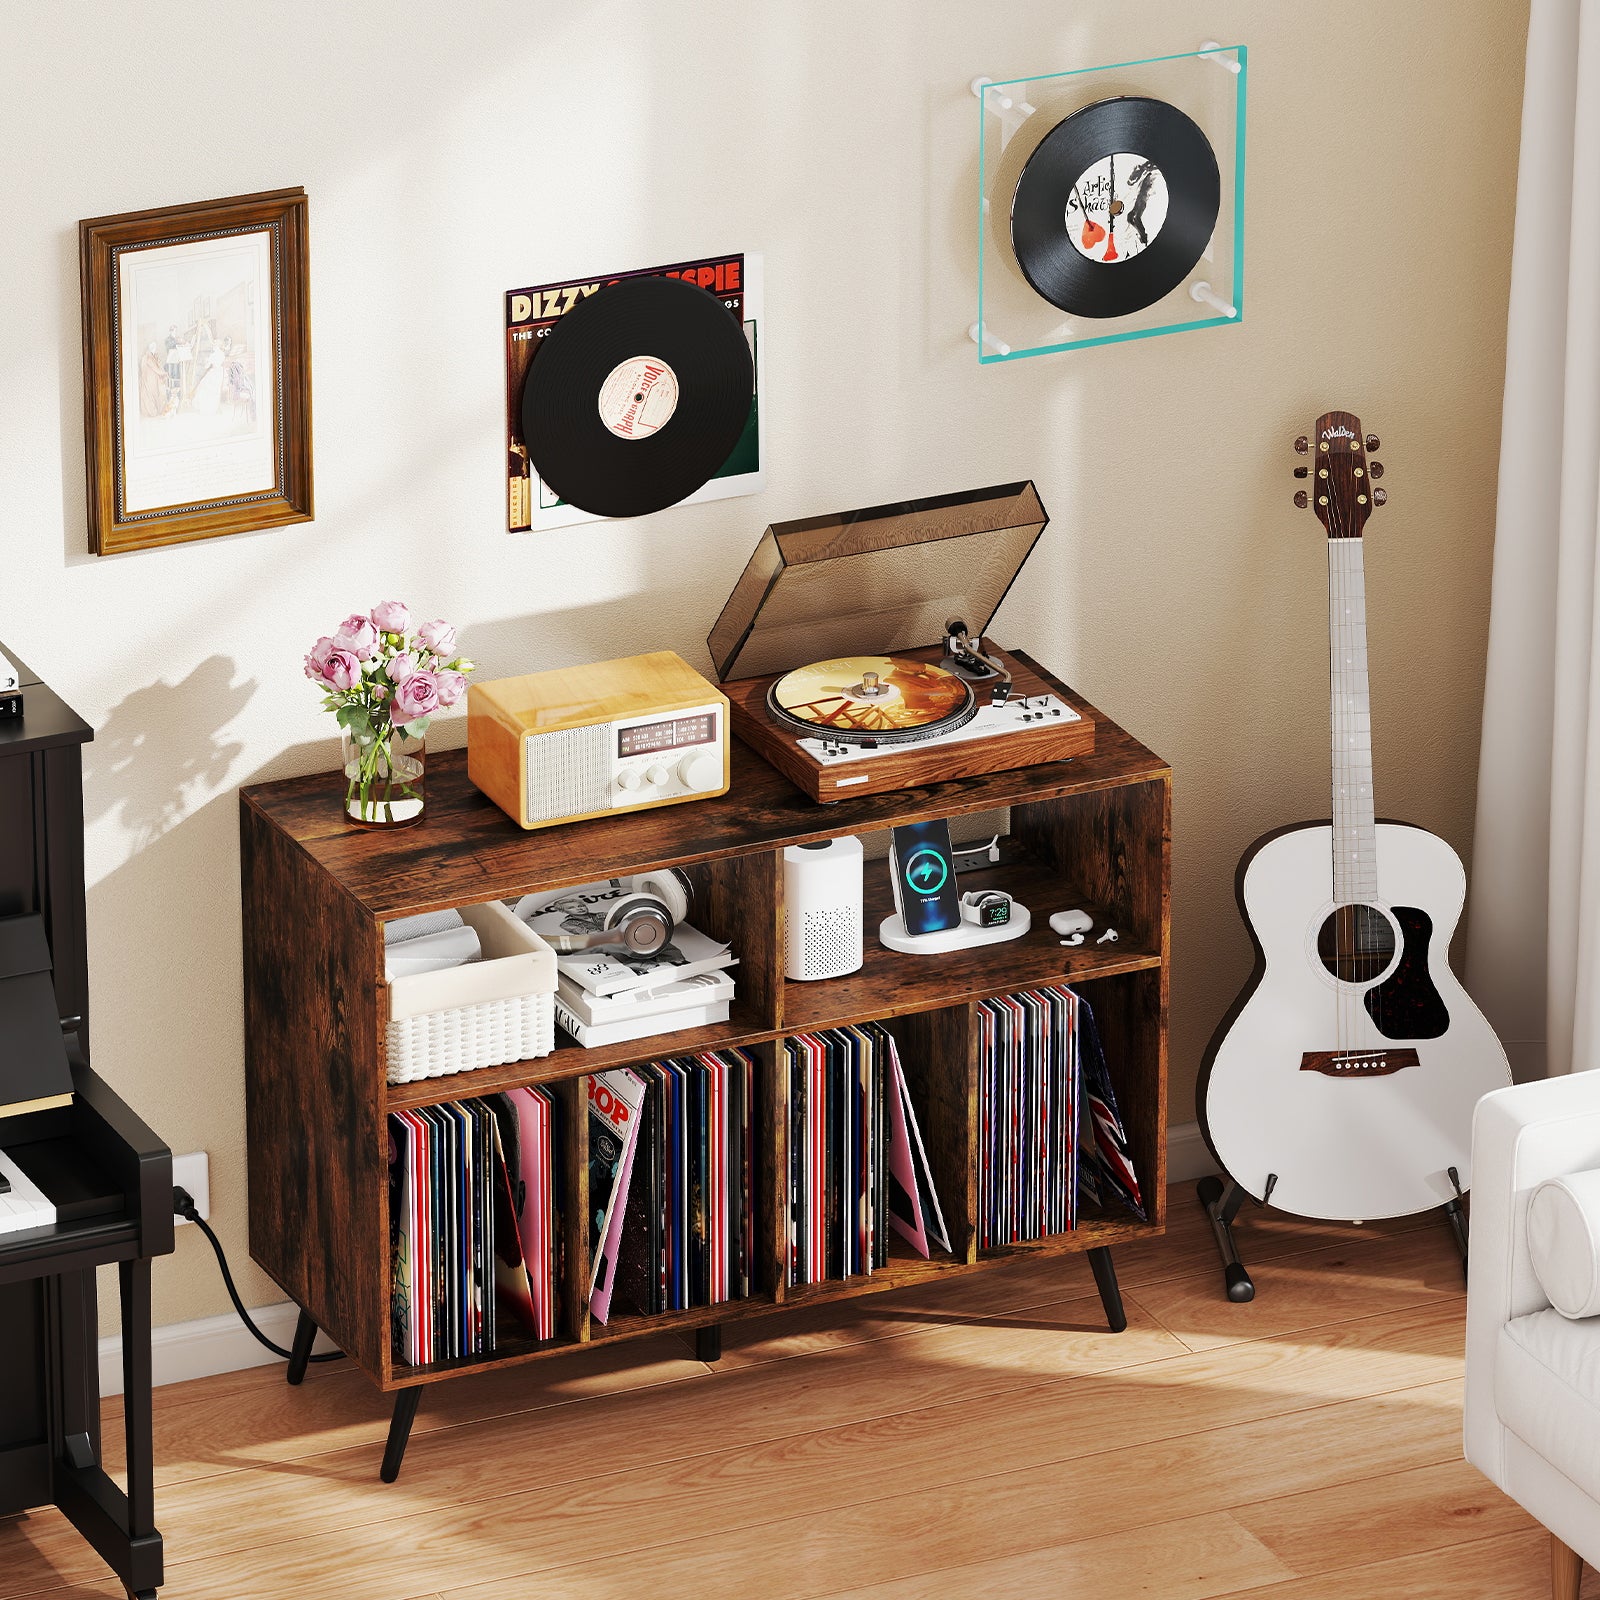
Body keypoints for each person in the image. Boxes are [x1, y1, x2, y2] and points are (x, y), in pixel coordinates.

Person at [138, 342, 167, 418]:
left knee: (155, 393)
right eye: (154, 348)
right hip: (148, 380)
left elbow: (157, 366)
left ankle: (155, 411)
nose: (155, 349)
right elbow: (155, 368)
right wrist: (163, 373)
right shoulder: (147, 357)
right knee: (151, 395)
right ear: (151, 348)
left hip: (152, 379)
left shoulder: (152, 356)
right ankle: (151, 412)